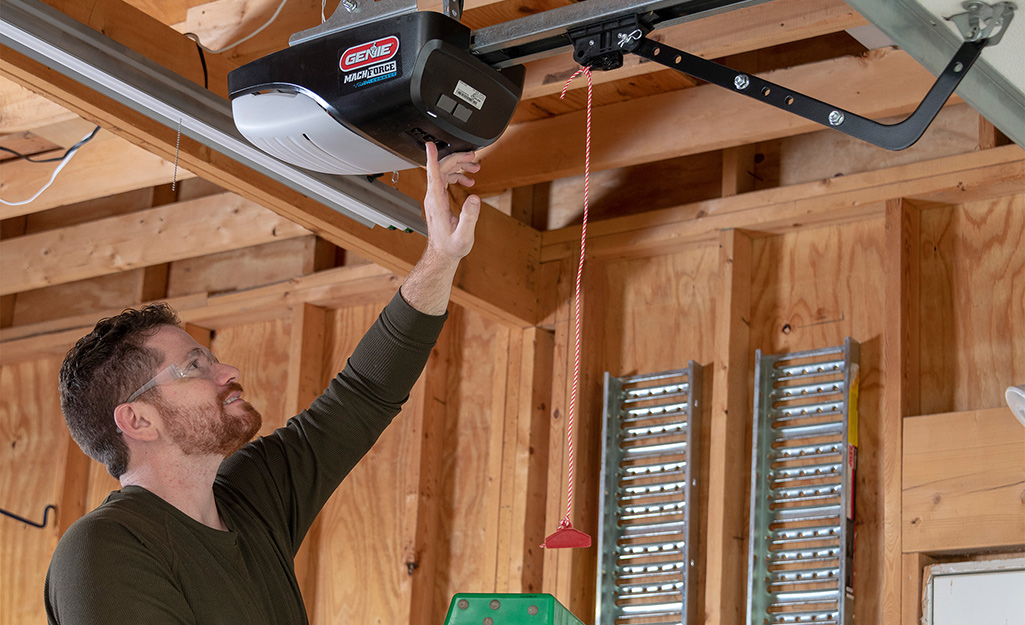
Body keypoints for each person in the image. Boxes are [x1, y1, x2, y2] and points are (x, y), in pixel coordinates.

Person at [44, 143, 481, 624]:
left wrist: (440, 257)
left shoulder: (252, 498)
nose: (227, 372)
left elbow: (362, 396)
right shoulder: (103, 549)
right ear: (138, 419)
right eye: (194, 367)